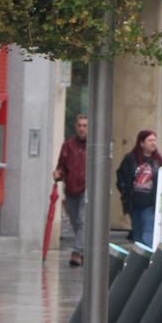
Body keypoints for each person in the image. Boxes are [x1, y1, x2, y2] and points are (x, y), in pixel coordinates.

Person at [117, 129, 162, 246]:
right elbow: (121, 175)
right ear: (142, 143)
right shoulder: (130, 159)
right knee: (137, 234)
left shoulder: (159, 161)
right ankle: (140, 259)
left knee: (148, 234)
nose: (153, 143)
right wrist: (124, 191)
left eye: (154, 140)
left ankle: (146, 260)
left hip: (150, 204)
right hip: (134, 203)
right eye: (150, 140)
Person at [53, 114, 89, 266]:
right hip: (71, 188)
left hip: (87, 189)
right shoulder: (68, 145)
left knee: (82, 220)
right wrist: (58, 173)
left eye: (85, 126)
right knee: (75, 222)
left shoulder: (93, 146)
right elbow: (61, 164)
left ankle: (77, 251)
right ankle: (85, 250)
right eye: (80, 125)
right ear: (76, 127)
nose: (82, 128)